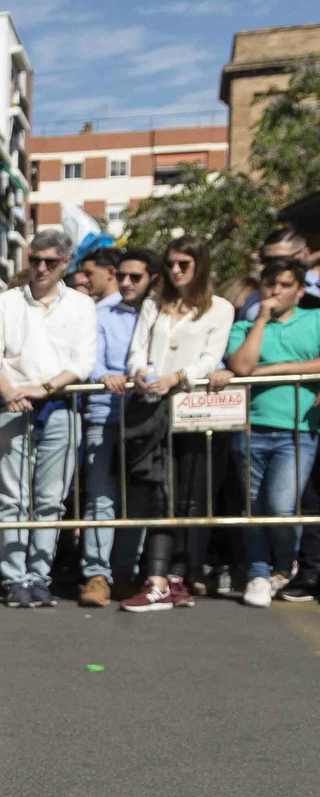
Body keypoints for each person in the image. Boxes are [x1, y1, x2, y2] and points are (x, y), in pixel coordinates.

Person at [114, 237, 236, 612]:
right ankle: (156, 580)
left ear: (200, 265)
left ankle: (176, 577)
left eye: (184, 264)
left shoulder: (220, 308)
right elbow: (137, 349)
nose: (176, 270)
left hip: (191, 408)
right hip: (151, 407)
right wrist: (140, 372)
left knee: (189, 495)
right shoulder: (154, 303)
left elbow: (210, 358)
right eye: (170, 264)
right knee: (158, 491)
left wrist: (178, 377)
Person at [0, 229, 97, 607]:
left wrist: (44, 388)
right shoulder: (6, 303)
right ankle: (15, 577)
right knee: (11, 498)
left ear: (66, 263)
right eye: (35, 260)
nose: (41, 268)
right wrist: (10, 390)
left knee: (50, 499)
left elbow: (83, 362)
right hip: (12, 405)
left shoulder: (81, 305)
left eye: (50, 261)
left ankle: (39, 576)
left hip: (60, 406)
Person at [223, 256, 320, 608]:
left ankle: (283, 564)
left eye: (285, 285)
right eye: (270, 284)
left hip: (298, 431)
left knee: (280, 506)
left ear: (300, 290)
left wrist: (271, 370)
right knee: (254, 508)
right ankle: (259, 572)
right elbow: (242, 365)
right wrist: (262, 320)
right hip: (251, 428)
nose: (275, 291)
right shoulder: (244, 327)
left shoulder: (315, 319)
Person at [79, 249, 158, 606]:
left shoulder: (163, 313)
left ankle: (125, 573)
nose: (125, 283)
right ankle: (97, 575)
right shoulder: (99, 314)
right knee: (101, 499)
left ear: (152, 278)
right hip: (105, 416)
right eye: (121, 275)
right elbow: (91, 361)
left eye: (135, 277)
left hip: (149, 419)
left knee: (138, 500)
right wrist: (103, 376)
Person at [237, 228, 320, 320]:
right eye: (267, 260)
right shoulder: (255, 299)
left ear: (304, 254)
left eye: (280, 259)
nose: (273, 265)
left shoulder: (315, 291)